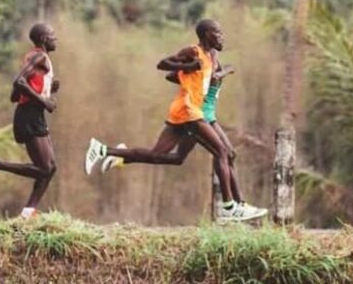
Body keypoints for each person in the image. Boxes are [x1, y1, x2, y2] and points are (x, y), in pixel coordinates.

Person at [84, 19, 262, 222]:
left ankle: (106, 151)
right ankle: (230, 207)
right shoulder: (194, 52)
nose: (222, 36)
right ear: (205, 35)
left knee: (160, 155)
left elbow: (183, 76)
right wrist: (188, 66)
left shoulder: (212, 56)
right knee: (222, 152)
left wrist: (193, 75)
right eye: (217, 33)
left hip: (190, 111)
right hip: (189, 111)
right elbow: (164, 65)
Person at [0, 23, 59, 219]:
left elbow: (15, 95)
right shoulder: (39, 56)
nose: (56, 39)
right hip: (29, 115)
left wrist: (48, 90)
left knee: (50, 168)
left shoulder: (37, 60)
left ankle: (28, 213)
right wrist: (44, 100)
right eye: (52, 35)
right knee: (44, 168)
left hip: (33, 114)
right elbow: (18, 82)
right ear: (44, 39)